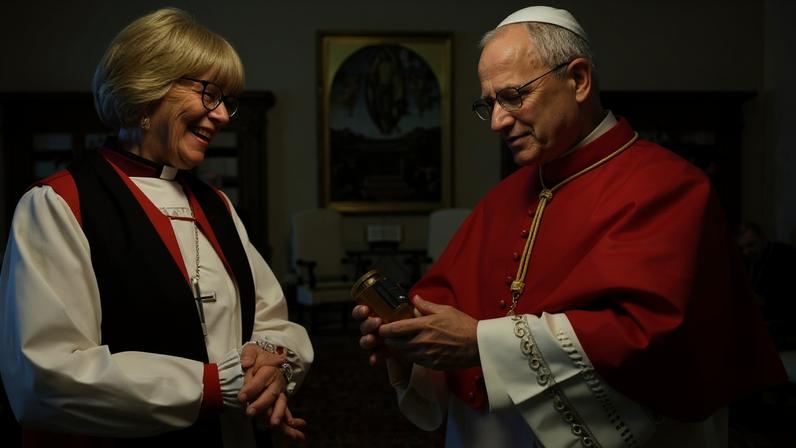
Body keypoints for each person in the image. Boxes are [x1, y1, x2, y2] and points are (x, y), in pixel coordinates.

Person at [354, 5, 785, 447]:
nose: (498, 121)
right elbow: (450, 312)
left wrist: (482, 342)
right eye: (489, 104)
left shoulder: (672, 187)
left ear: (578, 80)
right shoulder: (502, 197)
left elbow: (649, 337)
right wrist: (412, 345)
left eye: (513, 96)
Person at [0, 8, 312, 447]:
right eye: (208, 93)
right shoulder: (58, 204)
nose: (222, 115)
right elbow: (46, 376)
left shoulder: (216, 204)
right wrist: (210, 385)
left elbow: (273, 321)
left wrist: (271, 365)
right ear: (146, 91)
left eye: (227, 100)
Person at [738, 221, 796, 349]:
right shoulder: (747, 261)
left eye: (751, 245)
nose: (746, 252)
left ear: (763, 239)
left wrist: (765, 301)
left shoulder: (785, 256)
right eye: (743, 248)